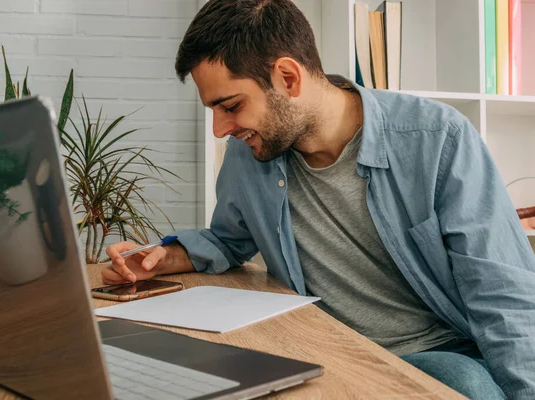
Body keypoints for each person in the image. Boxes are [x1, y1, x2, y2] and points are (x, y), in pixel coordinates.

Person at [102, 1, 535, 398]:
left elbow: (505, 296)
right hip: (322, 348)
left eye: (230, 105)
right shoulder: (248, 154)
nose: (220, 129)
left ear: (288, 78)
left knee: (472, 386)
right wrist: (162, 256)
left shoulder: (437, 138)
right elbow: (228, 240)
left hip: (436, 354)